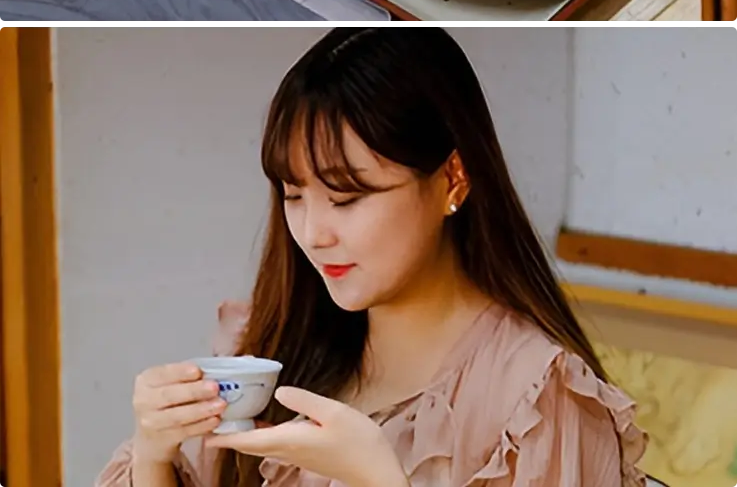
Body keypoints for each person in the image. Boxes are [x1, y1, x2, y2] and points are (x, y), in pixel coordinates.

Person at [96, 26, 648, 487]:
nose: (313, 233)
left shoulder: (536, 403)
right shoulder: (273, 352)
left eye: (345, 197)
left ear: (452, 178)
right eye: (293, 196)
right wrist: (153, 455)